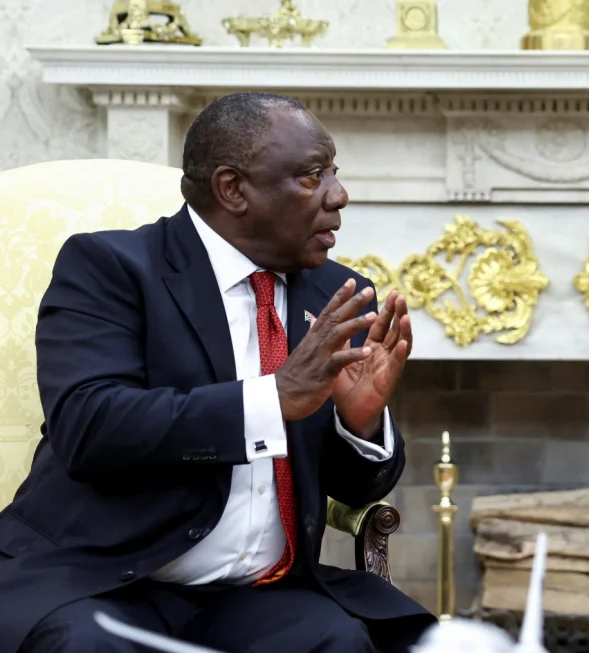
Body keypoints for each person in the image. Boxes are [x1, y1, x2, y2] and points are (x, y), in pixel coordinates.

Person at [0, 92, 434, 652]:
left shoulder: (334, 292)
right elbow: (89, 426)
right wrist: (270, 401)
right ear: (233, 189)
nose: (339, 195)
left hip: (255, 596)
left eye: (334, 173)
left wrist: (360, 425)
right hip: (100, 578)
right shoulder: (111, 268)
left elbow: (351, 488)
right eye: (311, 176)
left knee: (344, 641)